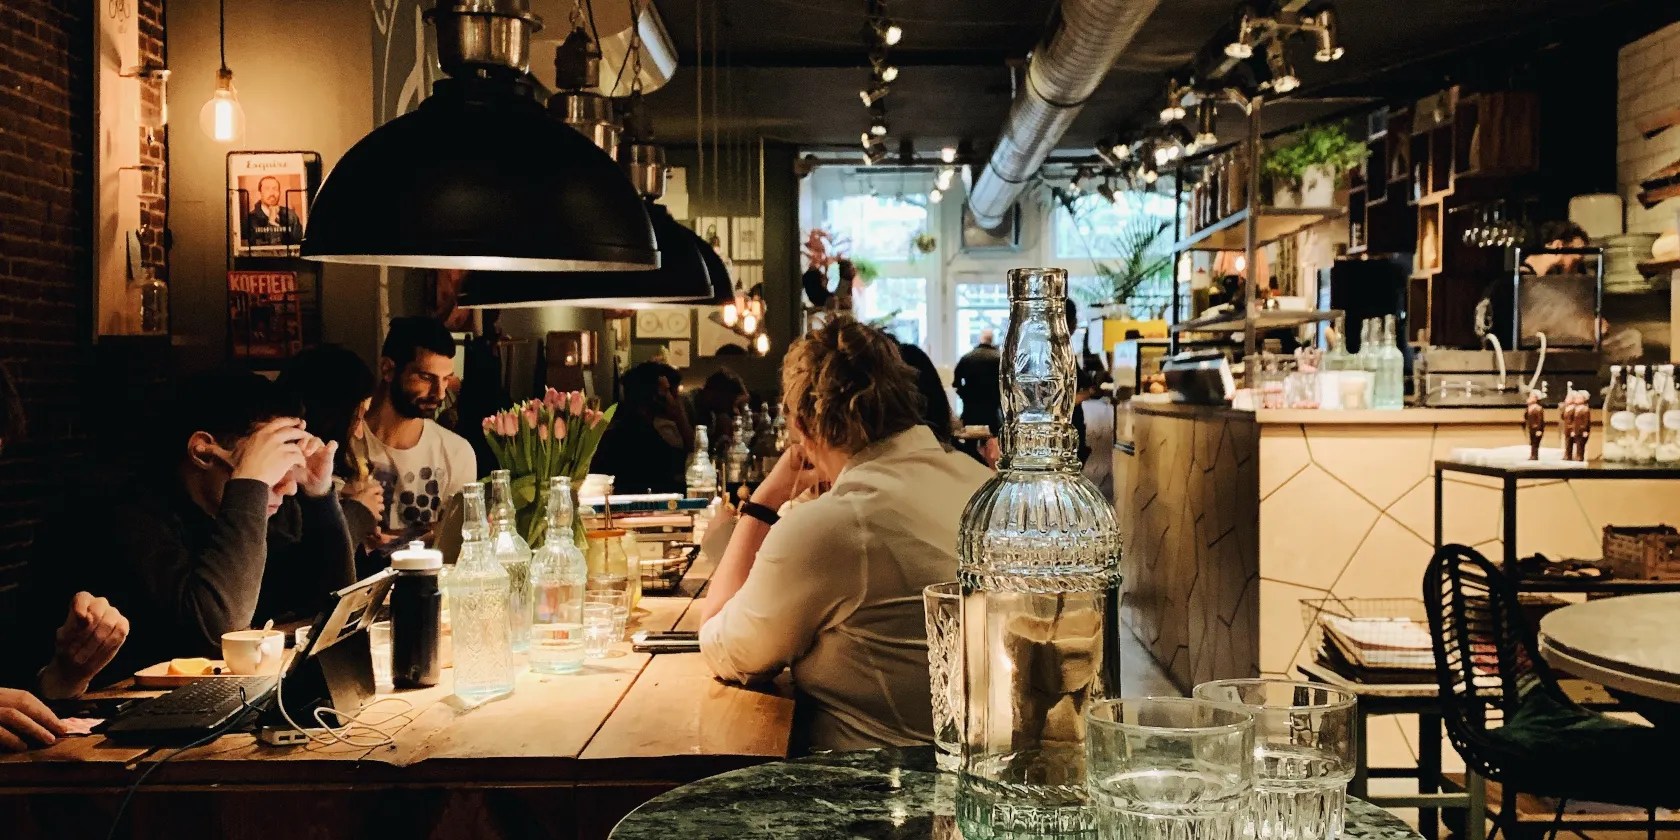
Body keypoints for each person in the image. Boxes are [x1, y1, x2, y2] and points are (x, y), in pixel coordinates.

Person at [698, 318, 992, 752]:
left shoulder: (833, 526)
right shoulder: (982, 484)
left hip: (875, 796)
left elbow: (723, 646)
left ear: (800, 426)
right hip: (992, 779)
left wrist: (765, 500)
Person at [25, 371, 354, 686]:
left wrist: (319, 495)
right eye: (270, 461)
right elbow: (216, 632)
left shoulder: (264, 507)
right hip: (97, 722)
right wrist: (250, 483)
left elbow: (335, 610)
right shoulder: (121, 511)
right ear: (202, 451)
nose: (288, 486)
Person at [354, 317, 477, 550]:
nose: (439, 394)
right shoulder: (347, 442)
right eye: (426, 377)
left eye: (446, 379)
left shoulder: (456, 451)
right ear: (388, 369)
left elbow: (456, 541)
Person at [278, 345, 387, 577]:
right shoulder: (280, 486)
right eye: (358, 417)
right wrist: (358, 513)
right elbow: (311, 578)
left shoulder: (336, 477)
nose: (359, 432)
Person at [595, 362, 688, 494]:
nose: (675, 399)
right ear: (656, 397)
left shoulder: (619, 430)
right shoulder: (643, 438)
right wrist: (680, 416)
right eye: (668, 392)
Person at [686, 368, 750, 453]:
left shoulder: (709, 409)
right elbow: (696, 449)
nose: (735, 411)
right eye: (732, 403)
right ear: (719, 395)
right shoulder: (689, 406)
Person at [953, 329, 1002, 433]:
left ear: (980, 339)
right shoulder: (999, 359)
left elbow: (956, 383)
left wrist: (964, 396)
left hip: (971, 408)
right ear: (992, 339)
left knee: (970, 443)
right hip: (992, 409)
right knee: (993, 439)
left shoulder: (967, 358)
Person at [243, 176, 303, 247]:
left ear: (279, 192)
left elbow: (299, 245)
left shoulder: (291, 216)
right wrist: (272, 223)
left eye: (275, 189)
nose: (272, 193)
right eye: (267, 189)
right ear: (260, 193)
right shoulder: (250, 219)